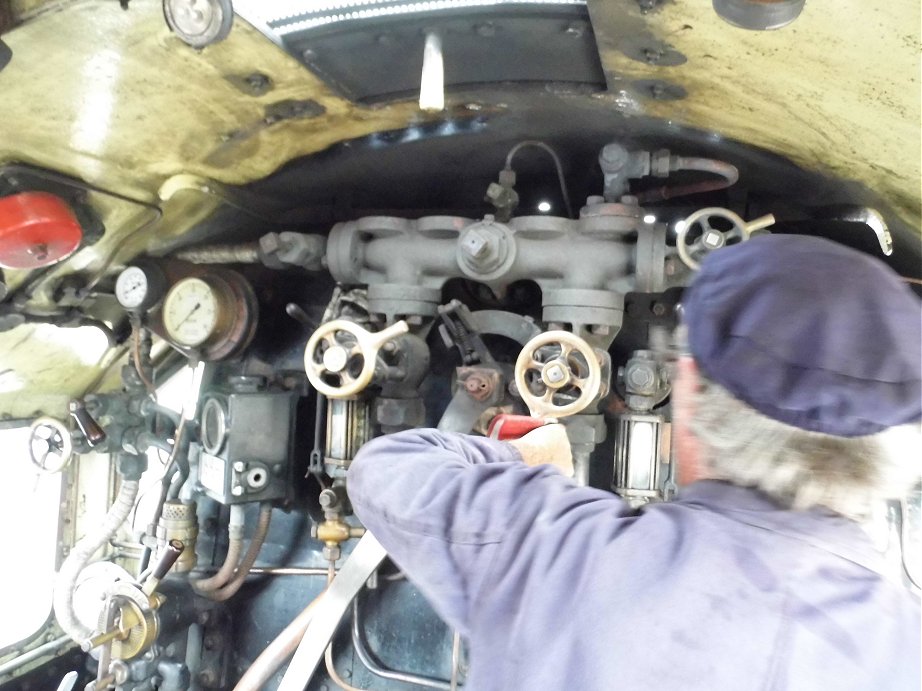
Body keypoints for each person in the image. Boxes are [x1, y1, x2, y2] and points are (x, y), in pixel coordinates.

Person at [347, 235, 922, 690]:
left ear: (689, 386)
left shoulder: (553, 553)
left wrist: (520, 454)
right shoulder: (906, 649)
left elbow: (387, 469)